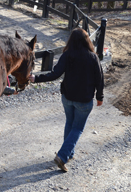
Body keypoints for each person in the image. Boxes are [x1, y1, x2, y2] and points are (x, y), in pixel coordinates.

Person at [29, 28, 104, 172]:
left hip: (67, 98)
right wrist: (100, 97)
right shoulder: (93, 57)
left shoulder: (67, 55)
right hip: (84, 100)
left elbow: (55, 74)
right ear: (86, 40)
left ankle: (69, 153)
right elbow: (99, 79)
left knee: (70, 123)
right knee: (77, 128)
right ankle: (63, 156)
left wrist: (36, 78)